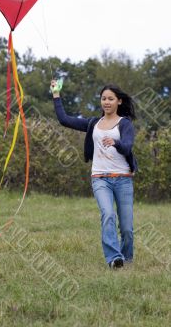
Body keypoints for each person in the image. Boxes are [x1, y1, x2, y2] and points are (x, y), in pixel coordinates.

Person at [50, 80, 138, 269]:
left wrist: (116, 143)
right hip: (100, 178)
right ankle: (114, 259)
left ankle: (127, 257)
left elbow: (128, 146)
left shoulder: (125, 124)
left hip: (123, 179)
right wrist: (56, 94)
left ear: (119, 102)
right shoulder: (93, 124)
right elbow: (64, 119)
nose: (106, 102)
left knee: (127, 229)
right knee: (107, 214)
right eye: (103, 99)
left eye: (110, 99)